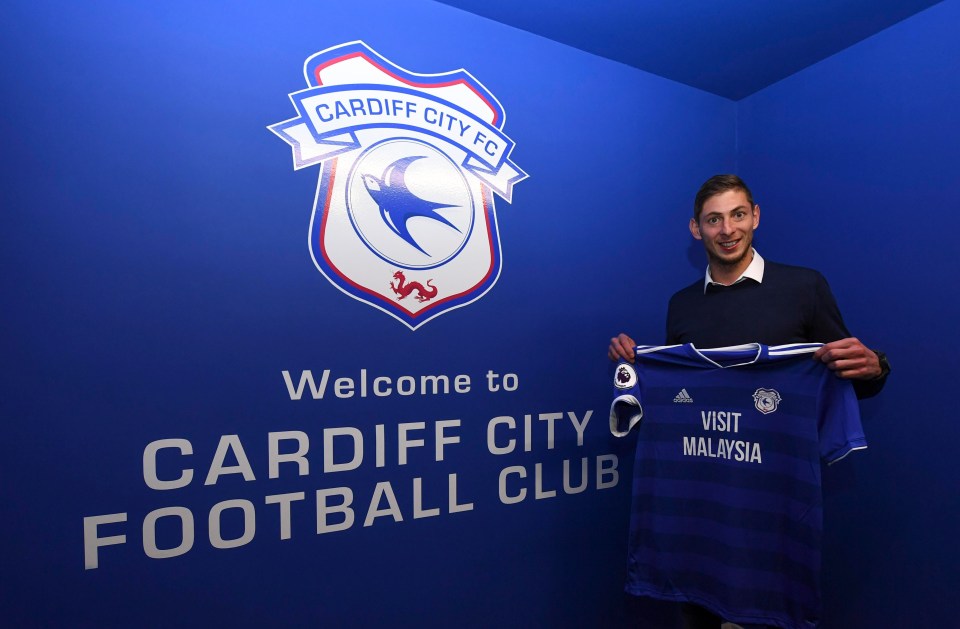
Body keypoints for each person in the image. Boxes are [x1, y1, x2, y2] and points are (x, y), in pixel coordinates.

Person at [607, 174, 890, 628]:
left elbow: (847, 376)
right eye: (713, 220)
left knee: (771, 614)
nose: (728, 230)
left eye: (738, 215)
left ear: (755, 216)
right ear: (695, 229)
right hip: (699, 510)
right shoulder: (682, 305)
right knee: (695, 612)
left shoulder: (804, 287)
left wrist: (876, 366)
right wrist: (636, 364)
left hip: (770, 505)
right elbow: (682, 396)